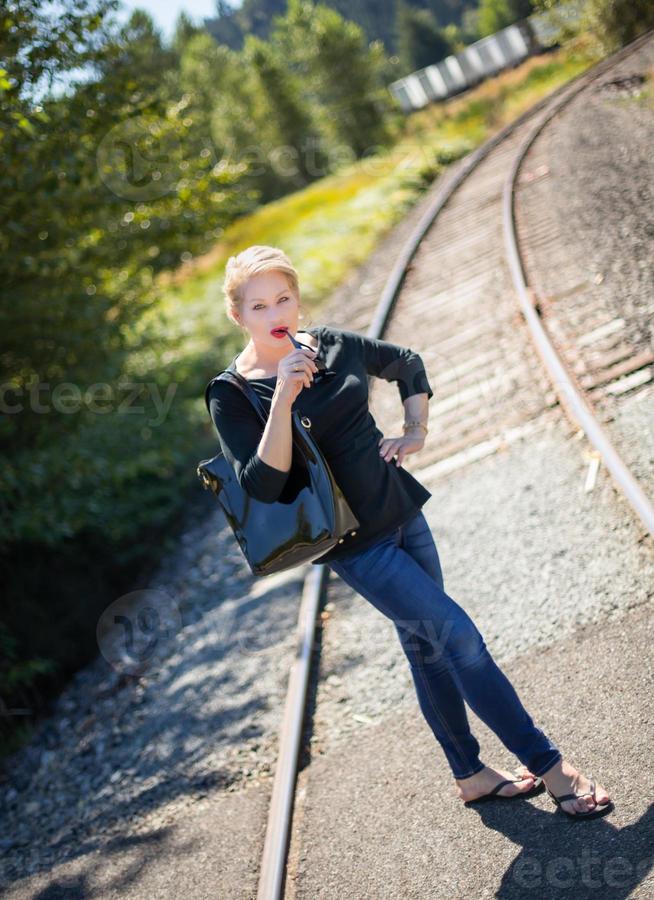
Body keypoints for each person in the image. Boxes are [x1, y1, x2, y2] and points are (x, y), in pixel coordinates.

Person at [206, 245, 613, 818]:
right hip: (357, 547)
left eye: (284, 297)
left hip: (403, 514)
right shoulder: (233, 392)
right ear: (238, 315)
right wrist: (283, 400)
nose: (276, 312)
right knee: (461, 640)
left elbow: (406, 362)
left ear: (297, 298)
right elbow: (263, 484)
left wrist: (415, 429)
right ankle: (551, 765)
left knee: (429, 649)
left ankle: (470, 775)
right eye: (259, 305)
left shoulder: (333, 345)